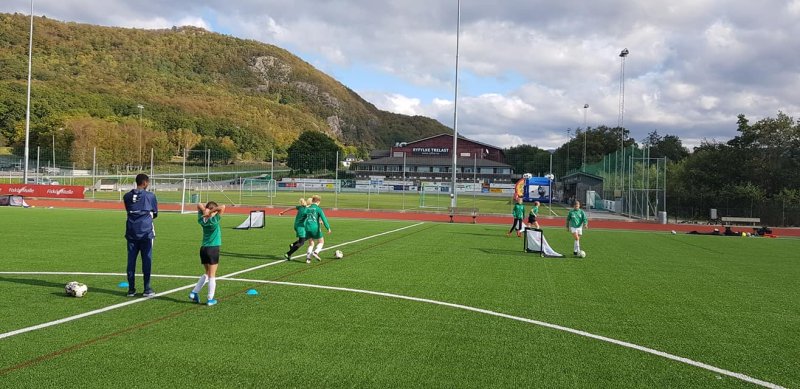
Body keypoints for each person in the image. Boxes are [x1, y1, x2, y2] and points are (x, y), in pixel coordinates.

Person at [123, 173, 158, 297]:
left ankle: (131, 289)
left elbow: (129, 209)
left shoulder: (126, 196)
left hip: (131, 232)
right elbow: (155, 213)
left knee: (131, 261)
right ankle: (147, 289)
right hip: (146, 233)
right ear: (145, 183)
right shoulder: (150, 196)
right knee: (146, 260)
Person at [190, 201, 225, 306]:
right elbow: (222, 207)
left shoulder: (202, 219)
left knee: (207, 273)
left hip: (203, 249)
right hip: (213, 249)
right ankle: (210, 299)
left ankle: (194, 292)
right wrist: (211, 212)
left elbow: (198, 204)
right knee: (212, 275)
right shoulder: (214, 220)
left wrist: (206, 211)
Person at [304, 195, 331, 262]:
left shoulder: (307, 208)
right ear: (318, 201)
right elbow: (324, 219)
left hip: (307, 228)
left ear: (312, 200)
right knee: (321, 241)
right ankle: (315, 252)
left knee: (311, 243)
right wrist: (328, 228)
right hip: (315, 228)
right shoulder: (318, 209)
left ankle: (308, 258)